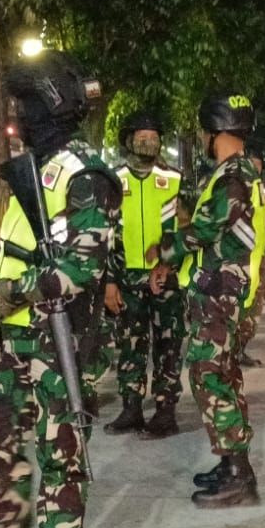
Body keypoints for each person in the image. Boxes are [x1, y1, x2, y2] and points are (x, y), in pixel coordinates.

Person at [0, 51, 117, 528]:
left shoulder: (85, 176)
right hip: (16, 341)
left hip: (62, 342)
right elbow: (15, 247)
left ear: (51, 106)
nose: (18, 117)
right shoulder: (33, 170)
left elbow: (83, 265)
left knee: (60, 457)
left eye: (25, 106)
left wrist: (14, 291)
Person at [148, 92, 265, 507]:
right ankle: (232, 463)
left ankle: (238, 475)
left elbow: (204, 230)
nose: (201, 138)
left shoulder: (233, 177)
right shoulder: (236, 173)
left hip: (220, 293)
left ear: (215, 131)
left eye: (203, 132)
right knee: (223, 375)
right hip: (221, 289)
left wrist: (164, 251)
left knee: (209, 375)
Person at [103, 109, 187, 439]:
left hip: (166, 278)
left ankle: (165, 411)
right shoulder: (112, 180)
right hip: (125, 279)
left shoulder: (175, 179)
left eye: (154, 137)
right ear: (129, 140)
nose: (149, 142)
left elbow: (187, 229)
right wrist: (110, 281)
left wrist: (169, 264)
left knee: (168, 345)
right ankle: (132, 408)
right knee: (129, 345)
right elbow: (106, 234)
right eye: (142, 136)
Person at [233, 142, 265, 369]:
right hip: (234, 263)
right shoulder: (232, 190)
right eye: (251, 164)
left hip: (258, 265)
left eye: (258, 165)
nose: (255, 169)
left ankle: (239, 351)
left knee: (253, 315)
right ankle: (225, 356)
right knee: (231, 312)